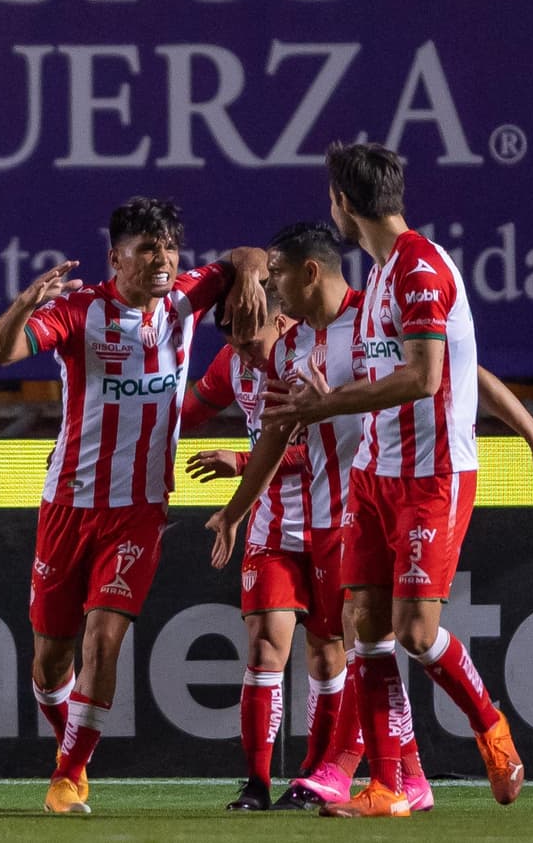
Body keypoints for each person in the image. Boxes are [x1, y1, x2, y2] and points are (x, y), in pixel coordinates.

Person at [255, 148, 533, 818]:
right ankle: (395, 784)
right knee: (364, 624)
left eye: (330, 195)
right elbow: (460, 363)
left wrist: (532, 433)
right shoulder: (381, 275)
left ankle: (491, 727)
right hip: (374, 474)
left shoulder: (421, 268)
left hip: (433, 478)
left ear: (344, 200)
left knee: (417, 632)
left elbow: (432, 375)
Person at [0, 195, 266, 813]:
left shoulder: (186, 300)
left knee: (104, 641)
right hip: (69, 503)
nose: (162, 259)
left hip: (139, 509)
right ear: (117, 258)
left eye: (168, 247)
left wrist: (244, 272)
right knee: (50, 661)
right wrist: (24, 307)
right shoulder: (79, 312)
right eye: (146, 249)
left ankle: (67, 775)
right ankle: (72, 756)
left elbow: (252, 256)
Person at [180, 295, 349, 812]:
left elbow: (319, 443)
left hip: (331, 521)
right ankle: (255, 784)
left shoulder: (318, 357)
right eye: (232, 343)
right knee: (263, 650)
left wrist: (240, 458)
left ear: (280, 320)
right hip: (271, 526)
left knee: (326, 654)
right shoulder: (235, 361)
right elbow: (186, 412)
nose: (244, 355)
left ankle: (313, 778)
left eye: (250, 342)